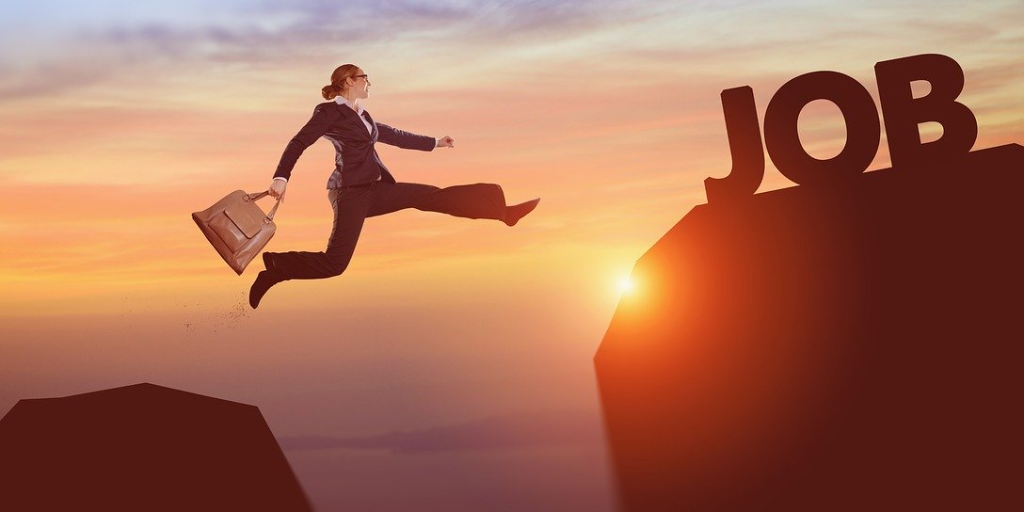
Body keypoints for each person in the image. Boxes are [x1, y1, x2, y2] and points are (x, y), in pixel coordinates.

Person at [249, 64, 540, 309]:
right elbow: (298, 142)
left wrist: (434, 142)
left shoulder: (363, 115)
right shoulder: (327, 113)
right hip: (349, 194)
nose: (369, 83)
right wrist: (281, 177)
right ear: (349, 81)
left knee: (430, 196)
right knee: (335, 264)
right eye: (365, 78)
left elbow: (392, 134)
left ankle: (501, 211)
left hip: (375, 190)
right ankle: (277, 268)